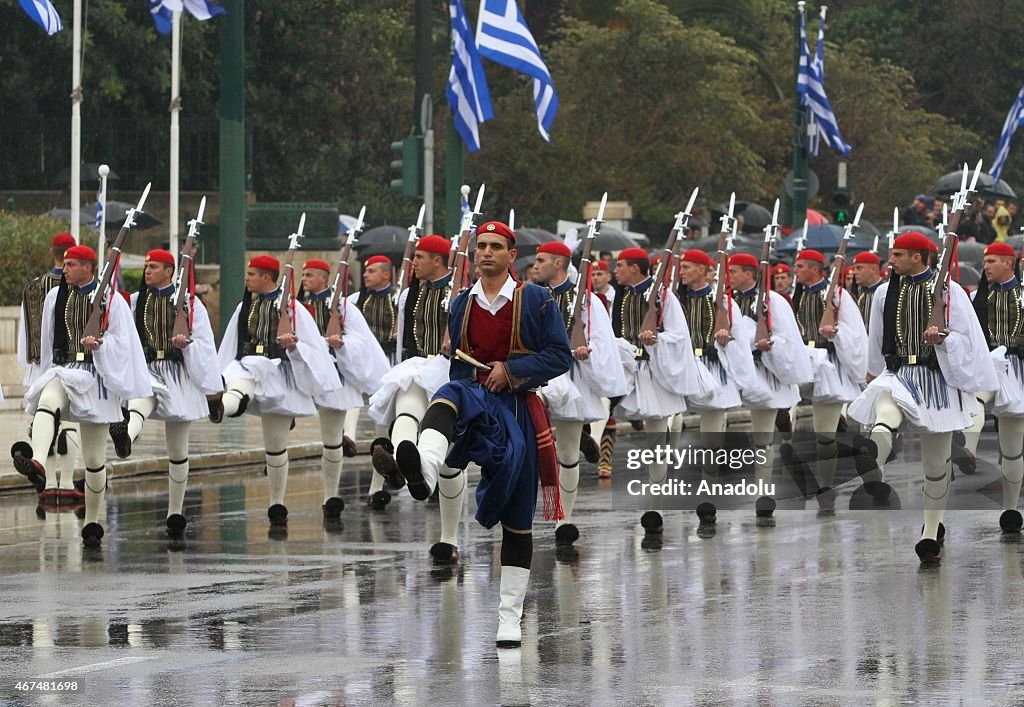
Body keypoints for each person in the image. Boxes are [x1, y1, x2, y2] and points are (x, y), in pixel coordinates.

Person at [393, 221, 572, 648]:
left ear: (513, 256)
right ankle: (424, 469)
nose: (486, 253)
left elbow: (560, 356)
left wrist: (511, 371)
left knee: (516, 517)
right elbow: (459, 366)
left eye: (495, 247)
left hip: (517, 408)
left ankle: (509, 617)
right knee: (449, 392)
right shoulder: (460, 304)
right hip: (475, 397)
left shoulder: (537, 300)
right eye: (481, 247)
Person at [849, 232, 997, 561]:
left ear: (917, 257)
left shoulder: (949, 291)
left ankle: (931, 533)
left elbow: (968, 338)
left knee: (935, 463)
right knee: (886, 411)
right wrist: (872, 372)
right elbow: (877, 336)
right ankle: (873, 459)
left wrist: (943, 337)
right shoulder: (884, 294)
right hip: (899, 373)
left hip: (936, 379)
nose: (891, 260)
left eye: (898, 254)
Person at [15, 244, 152, 547]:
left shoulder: (112, 301)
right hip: (64, 370)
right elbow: (49, 342)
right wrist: (43, 374)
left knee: (93, 458)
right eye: (65, 263)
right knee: (47, 400)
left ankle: (92, 521)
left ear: (88, 267)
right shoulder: (54, 297)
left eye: (71, 264)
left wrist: (101, 345)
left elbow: (124, 343)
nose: (64, 269)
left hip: (96, 377)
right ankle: (37, 460)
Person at [215, 254, 342, 529]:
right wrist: (217, 376)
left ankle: (277, 504)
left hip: (279, 376)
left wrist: (294, 346)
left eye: (252, 274)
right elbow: (231, 343)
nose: (247, 278)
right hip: (248, 365)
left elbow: (313, 348)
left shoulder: (293, 309)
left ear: (267, 277)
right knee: (239, 382)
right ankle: (223, 406)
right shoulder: (244, 307)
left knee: (275, 446)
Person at [117, 249, 223, 537]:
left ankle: (175, 512)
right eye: (146, 266)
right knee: (142, 397)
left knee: (178, 450)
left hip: (177, 376)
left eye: (153, 267)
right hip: (148, 369)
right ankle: (126, 435)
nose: (147, 271)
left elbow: (205, 344)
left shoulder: (190, 304)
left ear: (169, 271)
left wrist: (186, 343)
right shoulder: (137, 302)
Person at [533, 240, 626, 547]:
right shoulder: (533, 295)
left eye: (542, 259)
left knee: (568, 455)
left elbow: (601, 339)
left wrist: (587, 351)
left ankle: (564, 519)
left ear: (559, 264)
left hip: (571, 378)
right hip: (540, 376)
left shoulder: (587, 300)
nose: (535, 265)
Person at [609, 247, 707, 533]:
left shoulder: (664, 296)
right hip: (629, 368)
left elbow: (679, 335)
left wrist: (657, 339)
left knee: (655, 438)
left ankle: (655, 505)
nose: (616, 271)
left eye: (620, 265)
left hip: (656, 371)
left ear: (636, 269)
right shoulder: (622, 295)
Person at [677, 249, 772, 523]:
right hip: (681, 370)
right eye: (681, 266)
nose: (682, 272)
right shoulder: (676, 300)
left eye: (688, 267)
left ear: (705, 271)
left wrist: (725, 340)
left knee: (710, 438)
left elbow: (741, 343)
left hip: (712, 370)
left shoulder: (725, 304)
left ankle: (708, 497)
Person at [367, 235, 455, 511]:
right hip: (418, 366)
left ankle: (418, 470)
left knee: (447, 452)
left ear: (437, 260)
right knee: (405, 411)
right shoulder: (410, 294)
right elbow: (405, 338)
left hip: (450, 371)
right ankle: (402, 465)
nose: (412, 262)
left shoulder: (461, 291)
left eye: (419, 257)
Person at [298, 258, 390, 521]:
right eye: (302, 275)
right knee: (325, 436)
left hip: (352, 368)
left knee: (362, 433)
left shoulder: (343, 306)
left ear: (324, 279)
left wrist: (343, 345)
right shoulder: (298, 306)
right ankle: (330, 496)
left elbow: (360, 340)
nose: (304, 279)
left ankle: (356, 491)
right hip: (308, 371)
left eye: (310, 274)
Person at [729, 253, 813, 517]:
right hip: (737, 372)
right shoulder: (727, 301)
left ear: (749, 274)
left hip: (765, 372)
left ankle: (763, 493)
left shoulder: (772, 301)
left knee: (761, 437)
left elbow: (787, 336)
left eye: (734, 272)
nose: (729, 277)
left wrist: (769, 345)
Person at [790, 249, 868, 509]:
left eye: (800, 266)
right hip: (802, 360)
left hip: (828, 366)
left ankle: (826, 485)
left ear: (815, 269)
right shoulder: (797, 295)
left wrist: (835, 333)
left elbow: (855, 333)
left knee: (823, 435)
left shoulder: (837, 296)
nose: (795, 270)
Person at [961, 242, 1024, 532]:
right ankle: (967, 449)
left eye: (992, 261)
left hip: (1018, 369)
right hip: (988, 363)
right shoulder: (977, 297)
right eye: (984, 261)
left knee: (1012, 449)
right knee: (977, 395)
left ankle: (1011, 511)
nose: (985, 266)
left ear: (1008, 263)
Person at [16, 232, 82, 502]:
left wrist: (28, 363)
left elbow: (24, 329)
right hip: (68, 363)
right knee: (69, 425)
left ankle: (43, 477)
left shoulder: (33, 286)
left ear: (51, 252)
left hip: (37, 365)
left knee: (44, 421)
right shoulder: (77, 286)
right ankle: (65, 483)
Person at [852, 251, 884, 331]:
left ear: (873, 269)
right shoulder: (856, 292)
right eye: (854, 268)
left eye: (859, 268)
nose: (854, 272)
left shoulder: (885, 292)